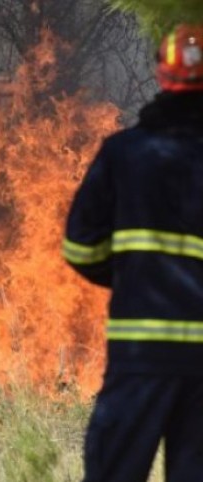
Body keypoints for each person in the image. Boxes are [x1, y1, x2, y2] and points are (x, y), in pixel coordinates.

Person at [64, 23, 203, 482]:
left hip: (141, 355)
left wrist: (130, 276)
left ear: (161, 75)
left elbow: (80, 246)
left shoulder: (123, 154)